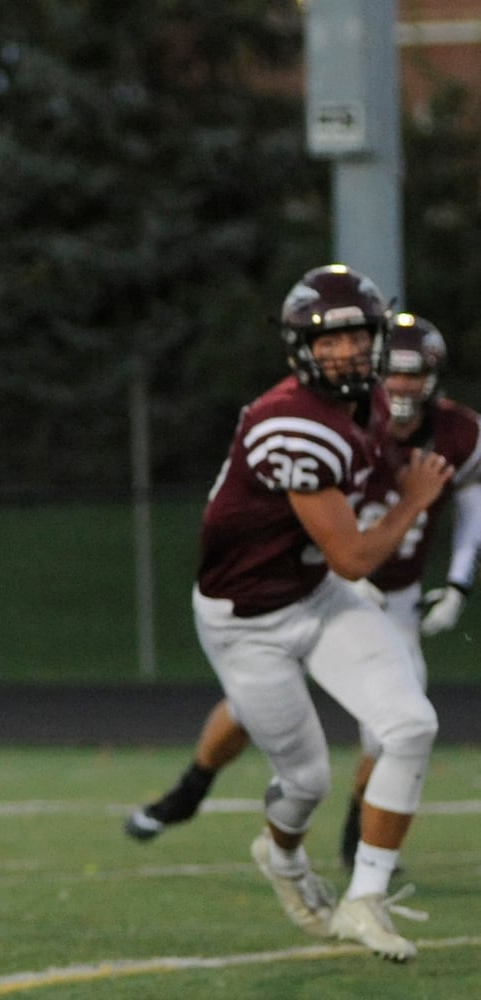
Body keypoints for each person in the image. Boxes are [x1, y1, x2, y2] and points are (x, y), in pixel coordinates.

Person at [126, 312, 481, 871]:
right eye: (395, 373)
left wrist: (459, 579)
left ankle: (356, 832)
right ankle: (192, 785)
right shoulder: (351, 420)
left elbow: (472, 495)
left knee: (400, 721)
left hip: (394, 597)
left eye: (416, 375)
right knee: (254, 704)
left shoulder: (459, 432)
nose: (403, 386)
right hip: (325, 583)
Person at [169, 265, 453, 962]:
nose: (345, 353)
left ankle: (363, 900)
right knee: (305, 783)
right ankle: (284, 858)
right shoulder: (288, 425)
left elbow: (365, 489)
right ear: (300, 350)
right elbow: (354, 557)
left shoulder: (374, 406)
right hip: (248, 621)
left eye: (357, 335)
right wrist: (415, 502)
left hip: (315, 593)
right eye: (326, 342)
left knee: (409, 724)